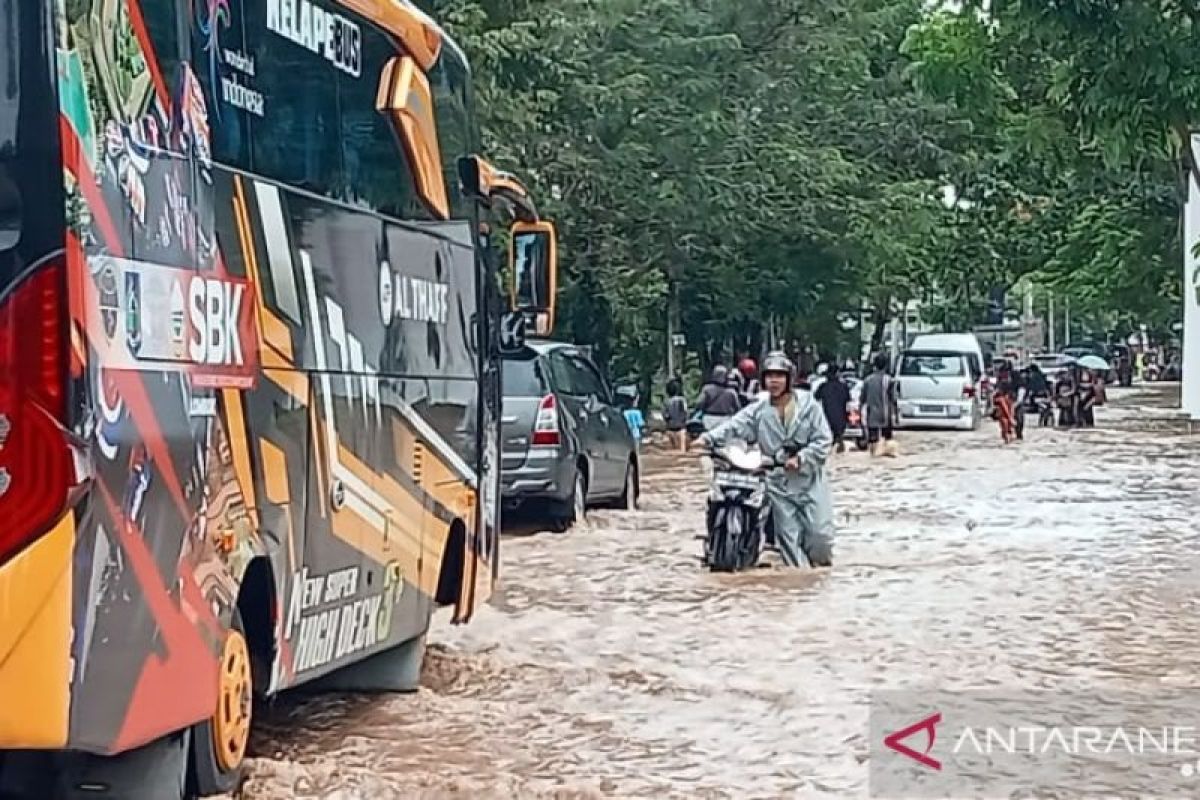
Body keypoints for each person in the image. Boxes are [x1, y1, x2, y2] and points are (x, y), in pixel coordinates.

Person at [693, 351, 835, 567]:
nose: (774, 381)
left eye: (779, 375)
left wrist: (802, 458)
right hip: (778, 485)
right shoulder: (758, 410)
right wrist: (707, 439)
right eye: (769, 376)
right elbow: (734, 426)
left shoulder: (809, 407)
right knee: (789, 544)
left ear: (790, 379)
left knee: (820, 540)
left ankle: (820, 578)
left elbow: (824, 439)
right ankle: (801, 587)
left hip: (810, 482)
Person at [859, 353, 897, 457]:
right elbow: (893, 399)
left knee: (873, 442)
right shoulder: (889, 380)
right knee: (888, 442)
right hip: (886, 415)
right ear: (886, 365)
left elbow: (862, 400)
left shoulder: (867, 380)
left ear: (874, 365)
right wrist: (896, 416)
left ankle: (873, 458)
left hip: (872, 415)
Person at [814, 368, 851, 453]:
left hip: (827, 418)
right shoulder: (843, 386)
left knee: (829, 441)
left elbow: (815, 398)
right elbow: (848, 401)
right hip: (841, 418)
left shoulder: (823, 386)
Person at [663, 378, 688, 452]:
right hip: (681, 428)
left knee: (670, 452)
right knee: (682, 451)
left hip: (670, 428)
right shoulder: (682, 400)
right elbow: (686, 412)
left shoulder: (667, 401)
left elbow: (664, 414)